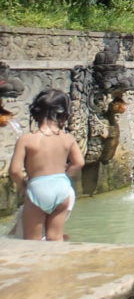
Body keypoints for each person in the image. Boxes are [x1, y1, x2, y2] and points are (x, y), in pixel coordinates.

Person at [8, 89, 84, 241]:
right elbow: (79, 163)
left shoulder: (27, 139)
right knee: (55, 237)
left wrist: (23, 187)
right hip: (62, 189)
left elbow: (15, 171)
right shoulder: (67, 138)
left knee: (33, 241)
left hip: (38, 188)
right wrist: (65, 176)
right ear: (64, 113)